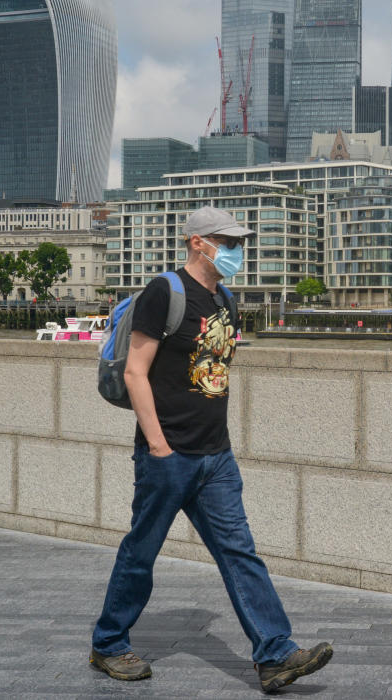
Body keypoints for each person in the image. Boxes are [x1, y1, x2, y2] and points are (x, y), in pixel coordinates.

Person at [90, 206, 332, 693]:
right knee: (142, 552)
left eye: (239, 242)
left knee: (240, 552)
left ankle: (275, 654)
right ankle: (109, 644)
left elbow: (214, 372)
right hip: (169, 453)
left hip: (215, 456)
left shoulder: (226, 299)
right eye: (228, 241)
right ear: (198, 242)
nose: (236, 250)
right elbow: (136, 372)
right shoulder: (165, 292)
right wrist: (157, 445)